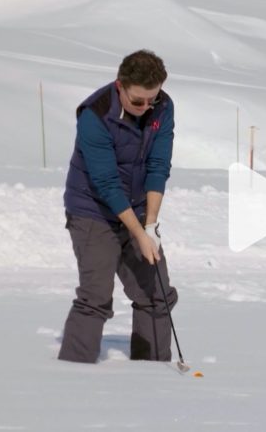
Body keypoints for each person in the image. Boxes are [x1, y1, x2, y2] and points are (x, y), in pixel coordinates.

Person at [58, 50, 177, 364]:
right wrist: (139, 234)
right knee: (96, 296)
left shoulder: (162, 107)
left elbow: (158, 165)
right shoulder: (94, 115)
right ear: (120, 85)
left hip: (137, 208)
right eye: (138, 101)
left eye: (152, 99)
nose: (146, 107)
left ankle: (153, 372)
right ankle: (73, 372)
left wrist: (150, 226)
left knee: (157, 294)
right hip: (93, 210)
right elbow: (107, 183)